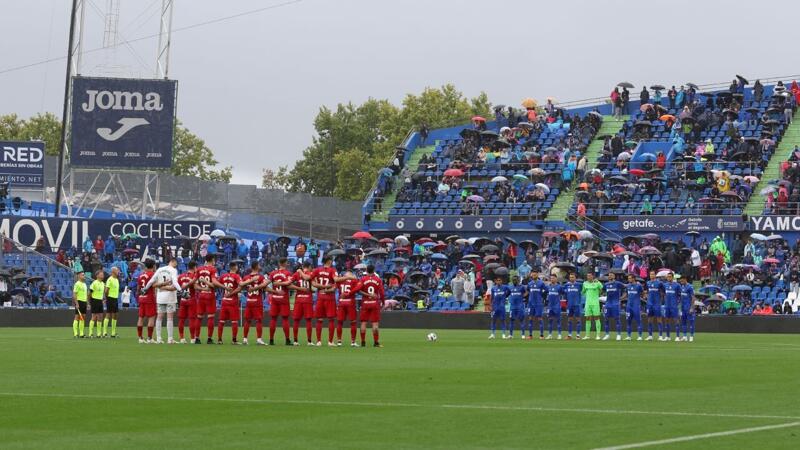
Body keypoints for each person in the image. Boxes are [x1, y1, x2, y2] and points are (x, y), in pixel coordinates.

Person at [146, 257, 182, 344]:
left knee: (159, 317)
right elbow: (175, 282)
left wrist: (145, 288)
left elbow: (151, 281)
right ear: (173, 261)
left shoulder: (160, 269)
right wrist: (181, 290)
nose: (177, 265)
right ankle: (170, 339)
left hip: (160, 297)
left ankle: (159, 338)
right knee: (170, 318)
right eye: (176, 263)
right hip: (170, 297)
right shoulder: (173, 270)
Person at [194, 255, 224, 344]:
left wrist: (203, 289)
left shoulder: (199, 269)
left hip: (201, 295)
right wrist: (224, 287)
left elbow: (195, 285)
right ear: (212, 260)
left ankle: (197, 338)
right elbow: (214, 283)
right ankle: (209, 339)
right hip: (210, 295)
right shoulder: (213, 269)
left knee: (199, 317)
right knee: (210, 317)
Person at [216, 261, 248, 344]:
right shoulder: (236, 276)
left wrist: (224, 289)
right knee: (234, 321)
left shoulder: (223, 276)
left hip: (224, 301)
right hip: (232, 301)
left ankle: (219, 340)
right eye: (237, 266)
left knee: (221, 321)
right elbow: (241, 285)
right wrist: (250, 281)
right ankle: (234, 340)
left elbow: (216, 284)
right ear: (235, 267)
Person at [311, 256, 339, 346]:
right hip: (330, 298)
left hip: (320, 297)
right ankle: (330, 342)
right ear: (329, 261)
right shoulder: (333, 270)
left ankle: (318, 341)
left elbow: (312, 282)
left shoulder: (317, 270)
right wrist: (328, 288)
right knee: (331, 320)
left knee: (319, 320)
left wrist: (321, 287)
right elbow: (335, 282)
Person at [266, 257, 293, 345]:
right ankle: (287, 340)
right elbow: (288, 283)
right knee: (285, 319)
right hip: (283, 298)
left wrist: (274, 289)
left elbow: (266, 284)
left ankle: (271, 340)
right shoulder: (288, 273)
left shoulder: (273, 273)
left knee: (273, 319)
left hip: (274, 298)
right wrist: (281, 283)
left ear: (279, 263)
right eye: (287, 262)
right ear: (285, 263)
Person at [357, 265, 384, 347]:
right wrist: (383, 302)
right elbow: (382, 292)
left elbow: (358, 290)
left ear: (366, 270)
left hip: (365, 303)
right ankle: (376, 343)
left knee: (363, 323)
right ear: (374, 270)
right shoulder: (378, 279)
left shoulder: (363, 279)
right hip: (374, 303)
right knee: (375, 324)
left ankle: (363, 342)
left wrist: (367, 294)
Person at [242, 261, 268, 345]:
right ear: (256, 266)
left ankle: (245, 339)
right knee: (259, 320)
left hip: (249, 301)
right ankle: (259, 339)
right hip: (257, 302)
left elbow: (241, 286)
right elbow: (265, 285)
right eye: (259, 265)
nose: (260, 266)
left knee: (247, 320)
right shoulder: (260, 277)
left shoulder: (246, 277)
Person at [290, 261, 315, 345]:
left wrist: (298, 288)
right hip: (308, 299)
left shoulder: (296, 274)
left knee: (296, 320)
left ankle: (295, 341)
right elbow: (312, 284)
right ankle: (309, 341)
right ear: (309, 266)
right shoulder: (311, 273)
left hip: (299, 299)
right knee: (308, 320)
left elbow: (288, 284)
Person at [335, 270, 360, 347]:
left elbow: (335, 286)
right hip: (350, 302)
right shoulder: (354, 281)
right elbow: (358, 288)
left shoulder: (340, 281)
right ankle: (353, 342)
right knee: (353, 322)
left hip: (341, 302)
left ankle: (339, 341)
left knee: (339, 322)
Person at [136, 259, 157, 343]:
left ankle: (140, 338)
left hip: (141, 298)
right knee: (151, 318)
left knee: (141, 318)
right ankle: (149, 338)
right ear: (153, 266)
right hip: (149, 298)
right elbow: (154, 286)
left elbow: (138, 289)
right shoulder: (153, 275)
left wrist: (139, 297)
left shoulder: (141, 275)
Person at [177, 261, 198, 343]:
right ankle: (192, 338)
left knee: (181, 319)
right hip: (191, 299)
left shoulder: (181, 276)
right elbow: (195, 287)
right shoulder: (194, 276)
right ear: (194, 267)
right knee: (192, 319)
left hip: (183, 300)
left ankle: (181, 338)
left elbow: (178, 288)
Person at [526, 271, 546, 339]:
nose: (533, 275)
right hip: (531, 303)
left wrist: (542, 298)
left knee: (539, 318)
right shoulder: (529, 284)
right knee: (530, 318)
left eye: (535, 274)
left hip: (538, 303)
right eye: (533, 274)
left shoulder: (541, 283)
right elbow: (528, 291)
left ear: (537, 275)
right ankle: (530, 335)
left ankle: (541, 335)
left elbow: (545, 291)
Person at [644, 270, 663, 341]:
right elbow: (646, 291)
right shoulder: (648, 283)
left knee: (659, 320)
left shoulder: (659, 283)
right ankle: (650, 336)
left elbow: (663, 292)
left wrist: (660, 298)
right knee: (649, 320)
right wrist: (646, 296)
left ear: (655, 275)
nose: (651, 275)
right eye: (650, 274)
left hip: (657, 303)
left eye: (653, 274)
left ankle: (660, 336)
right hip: (650, 304)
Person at [624, 274, 644, 341]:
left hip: (636, 306)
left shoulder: (638, 286)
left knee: (638, 321)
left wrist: (641, 298)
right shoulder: (628, 286)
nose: (628, 279)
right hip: (629, 306)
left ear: (633, 279)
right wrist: (620, 299)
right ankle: (629, 336)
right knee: (628, 321)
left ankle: (640, 336)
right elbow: (626, 294)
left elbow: (642, 293)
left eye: (630, 278)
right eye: (628, 278)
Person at [86, 270, 105, 338]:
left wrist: (103, 299)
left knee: (100, 317)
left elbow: (102, 293)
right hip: (94, 301)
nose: (103, 275)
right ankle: (90, 333)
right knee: (94, 317)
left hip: (100, 301)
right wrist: (89, 303)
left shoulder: (103, 284)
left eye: (103, 274)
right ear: (97, 275)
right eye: (101, 274)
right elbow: (89, 293)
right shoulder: (94, 283)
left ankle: (99, 334)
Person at [662, 273, 680, 342]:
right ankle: (667, 336)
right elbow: (664, 293)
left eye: (670, 277)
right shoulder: (665, 285)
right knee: (666, 320)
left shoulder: (677, 285)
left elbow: (680, 294)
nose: (668, 278)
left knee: (676, 320)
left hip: (674, 306)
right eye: (668, 277)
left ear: (672, 277)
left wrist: (677, 302)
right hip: (667, 306)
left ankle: (677, 336)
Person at [563, 273, 582, 339]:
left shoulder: (579, 285)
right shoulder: (566, 285)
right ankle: (569, 335)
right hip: (569, 305)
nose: (571, 278)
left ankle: (578, 335)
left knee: (578, 319)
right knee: (569, 320)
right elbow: (564, 293)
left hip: (577, 305)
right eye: (570, 277)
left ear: (575, 278)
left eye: (572, 277)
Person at [103, 267, 120, 338]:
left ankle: (113, 333)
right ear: (113, 271)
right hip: (110, 298)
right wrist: (107, 298)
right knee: (108, 314)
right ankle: (104, 332)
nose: (118, 271)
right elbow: (106, 290)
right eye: (117, 270)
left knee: (115, 315)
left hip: (115, 298)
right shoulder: (110, 279)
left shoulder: (116, 280)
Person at [545, 274, 563, 339]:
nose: (552, 279)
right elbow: (545, 294)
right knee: (550, 320)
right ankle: (550, 335)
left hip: (557, 306)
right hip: (550, 306)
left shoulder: (559, 287)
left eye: (553, 278)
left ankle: (559, 335)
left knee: (558, 320)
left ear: (556, 279)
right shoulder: (548, 287)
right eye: (551, 278)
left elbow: (563, 293)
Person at [679, 276, 695, 342]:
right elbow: (681, 298)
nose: (681, 282)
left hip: (688, 307)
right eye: (680, 281)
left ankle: (691, 336)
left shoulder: (690, 287)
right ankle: (685, 336)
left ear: (685, 279)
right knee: (683, 322)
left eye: (682, 281)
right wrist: (680, 308)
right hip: (683, 308)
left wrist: (692, 308)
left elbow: (693, 298)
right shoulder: (682, 287)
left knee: (691, 322)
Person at [72, 272, 88, 338]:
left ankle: (81, 333)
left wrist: (87, 303)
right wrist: (76, 303)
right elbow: (74, 294)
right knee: (77, 317)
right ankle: (75, 333)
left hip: (84, 302)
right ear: (79, 276)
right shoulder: (77, 284)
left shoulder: (85, 284)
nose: (84, 276)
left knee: (83, 317)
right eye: (82, 275)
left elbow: (86, 294)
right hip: (79, 301)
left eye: (84, 275)